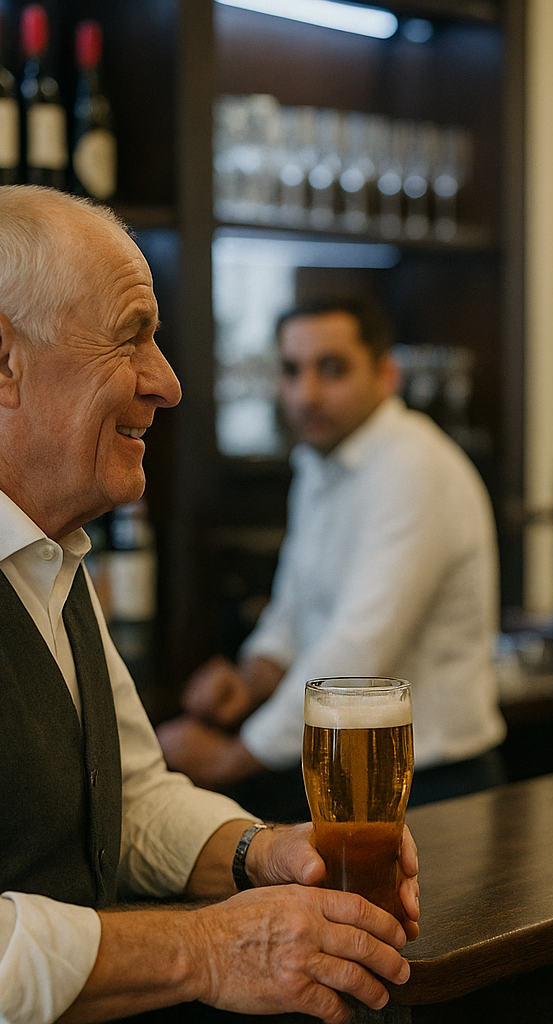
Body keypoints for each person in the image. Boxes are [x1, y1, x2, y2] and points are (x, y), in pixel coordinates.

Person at [0, 185, 419, 1023]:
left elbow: (135, 798)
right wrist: (205, 950)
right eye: (130, 339)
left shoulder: (53, 556)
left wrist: (266, 853)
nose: (170, 384)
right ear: (5, 363)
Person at [158, 296, 507, 817]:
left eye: (333, 369)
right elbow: (293, 612)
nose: (306, 394)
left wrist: (237, 754)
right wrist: (250, 678)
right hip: (346, 767)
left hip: (431, 781)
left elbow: (359, 649)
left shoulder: (413, 467)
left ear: (387, 373)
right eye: (292, 371)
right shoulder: (321, 463)